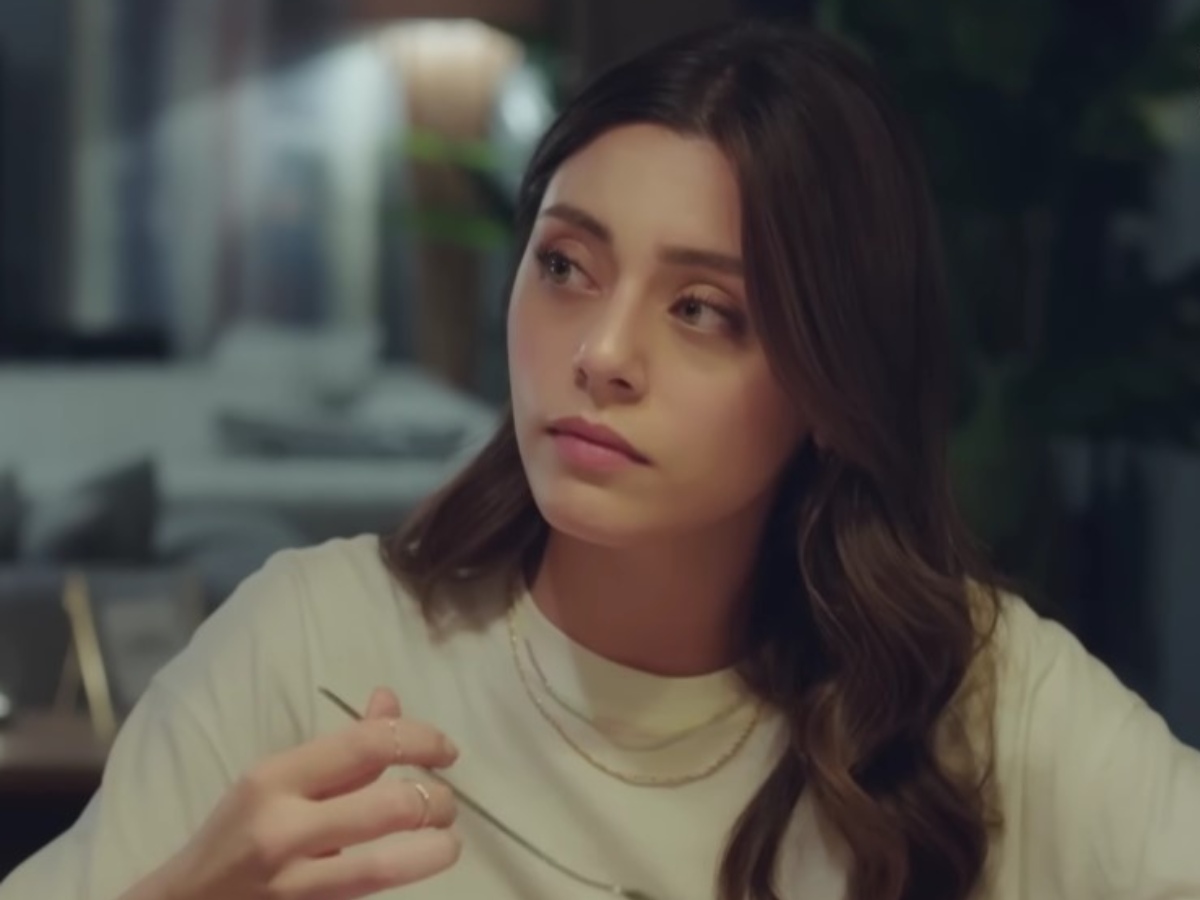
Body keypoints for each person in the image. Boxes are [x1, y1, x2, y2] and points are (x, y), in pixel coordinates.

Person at [4, 20, 1198, 900]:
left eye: (703, 311)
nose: (603, 354)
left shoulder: (976, 698)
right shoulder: (312, 648)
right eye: (567, 266)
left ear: (834, 386)